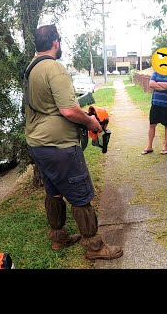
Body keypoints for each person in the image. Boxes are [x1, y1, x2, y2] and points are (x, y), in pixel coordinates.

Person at [25, 24, 122, 261]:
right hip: (59, 146)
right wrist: (91, 122)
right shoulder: (54, 68)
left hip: (38, 144)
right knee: (81, 195)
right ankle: (95, 247)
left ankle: (58, 237)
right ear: (56, 42)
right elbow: (69, 110)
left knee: (54, 191)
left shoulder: (31, 68)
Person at [141, 47, 167, 155]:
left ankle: (165, 147)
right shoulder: (156, 72)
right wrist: (166, 86)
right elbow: (151, 84)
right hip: (156, 104)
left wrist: (158, 85)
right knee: (152, 125)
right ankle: (149, 146)